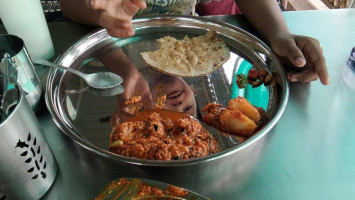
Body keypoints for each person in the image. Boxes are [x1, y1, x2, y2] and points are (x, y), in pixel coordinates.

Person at [60, 0, 329, 85]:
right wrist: (95, 9)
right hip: (101, 48)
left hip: (186, 39)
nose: (178, 105)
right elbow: (70, 6)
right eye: (188, 108)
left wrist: (278, 34)